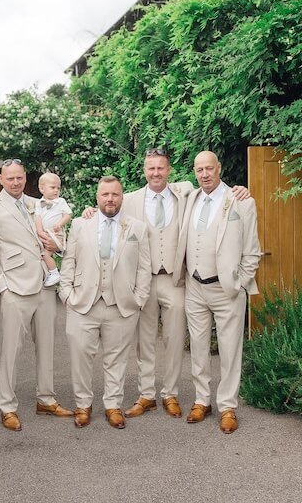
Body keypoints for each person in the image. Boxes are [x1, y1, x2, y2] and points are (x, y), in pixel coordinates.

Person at [83, 149, 250, 420]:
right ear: (144, 170)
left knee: (174, 340)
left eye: (161, 168)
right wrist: (89, 211)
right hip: (143, 281)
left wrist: (240, 190)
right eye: (151, 168)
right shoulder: (130, 199)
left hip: (176, 279)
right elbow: (108, 211)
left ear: (169, 170)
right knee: (144, 341)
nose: (156, 173)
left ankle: (170, 393)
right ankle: (146, 394)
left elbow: (220, 195)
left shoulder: (184, 193)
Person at [0, 159, 73, 430]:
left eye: (19, 177)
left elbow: (58, 233)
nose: (16, 182)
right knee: (11, 349)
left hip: (44, 284)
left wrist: (55, 247)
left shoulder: (37, 204)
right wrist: (3, 289)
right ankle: (7, 406)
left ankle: (46, 399)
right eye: (10, 178)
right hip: (15, 288)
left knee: (47, 345)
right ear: (1, 179)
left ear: (24, 178)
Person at [173, 151, 261, 434]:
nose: (204, 174)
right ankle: (202, 400)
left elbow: (252, 249)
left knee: (230, 350)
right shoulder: (189, 197)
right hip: (195, 286)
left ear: (219, 168)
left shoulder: (241, 201)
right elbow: (155, 187)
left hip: (227, 289)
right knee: (198, 347)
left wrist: (241, 281)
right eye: (199, 170)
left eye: (209, 168)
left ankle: (228, 406)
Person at [59, 176, 151, 429]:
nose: (110, 199)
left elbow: (144, 267)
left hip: (121, 305)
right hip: (82, 304)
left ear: (122, 197)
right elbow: (69, 261)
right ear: (97, 197)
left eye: (115, 194)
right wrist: (66, 293)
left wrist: (139, 299)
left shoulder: (137, 228)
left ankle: (113, 405)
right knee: (81, 358)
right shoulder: (79, 225)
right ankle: (83, 406)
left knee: (117, 360)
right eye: (105, 195)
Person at [34, 172, 73, 287]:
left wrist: (60, 224)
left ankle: (54, 273)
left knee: (45, 254)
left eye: (58, 188)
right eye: (53, 187)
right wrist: (40, 231)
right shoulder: (38, 203)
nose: (56, 190)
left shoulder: (60, 201)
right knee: (38, 251)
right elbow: (38, 218)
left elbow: (68, 214)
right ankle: (45, 273)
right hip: (45, 233)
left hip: (56, 234)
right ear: (42, 188)